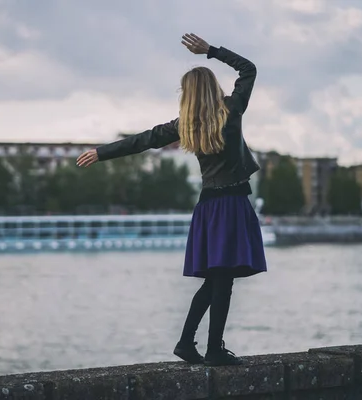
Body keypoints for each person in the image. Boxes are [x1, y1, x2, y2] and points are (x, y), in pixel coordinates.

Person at [76, 33, 267, 367]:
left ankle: (186, 344)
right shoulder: (231, 109)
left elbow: (141, 141)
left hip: (208, 207)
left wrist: (101, 152)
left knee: (217, 278)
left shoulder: (185, 125)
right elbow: (248, 69)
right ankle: (213, 349)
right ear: (212, 88)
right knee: (223, 279)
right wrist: (210, 51)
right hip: (232, 203)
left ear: (189, 96)